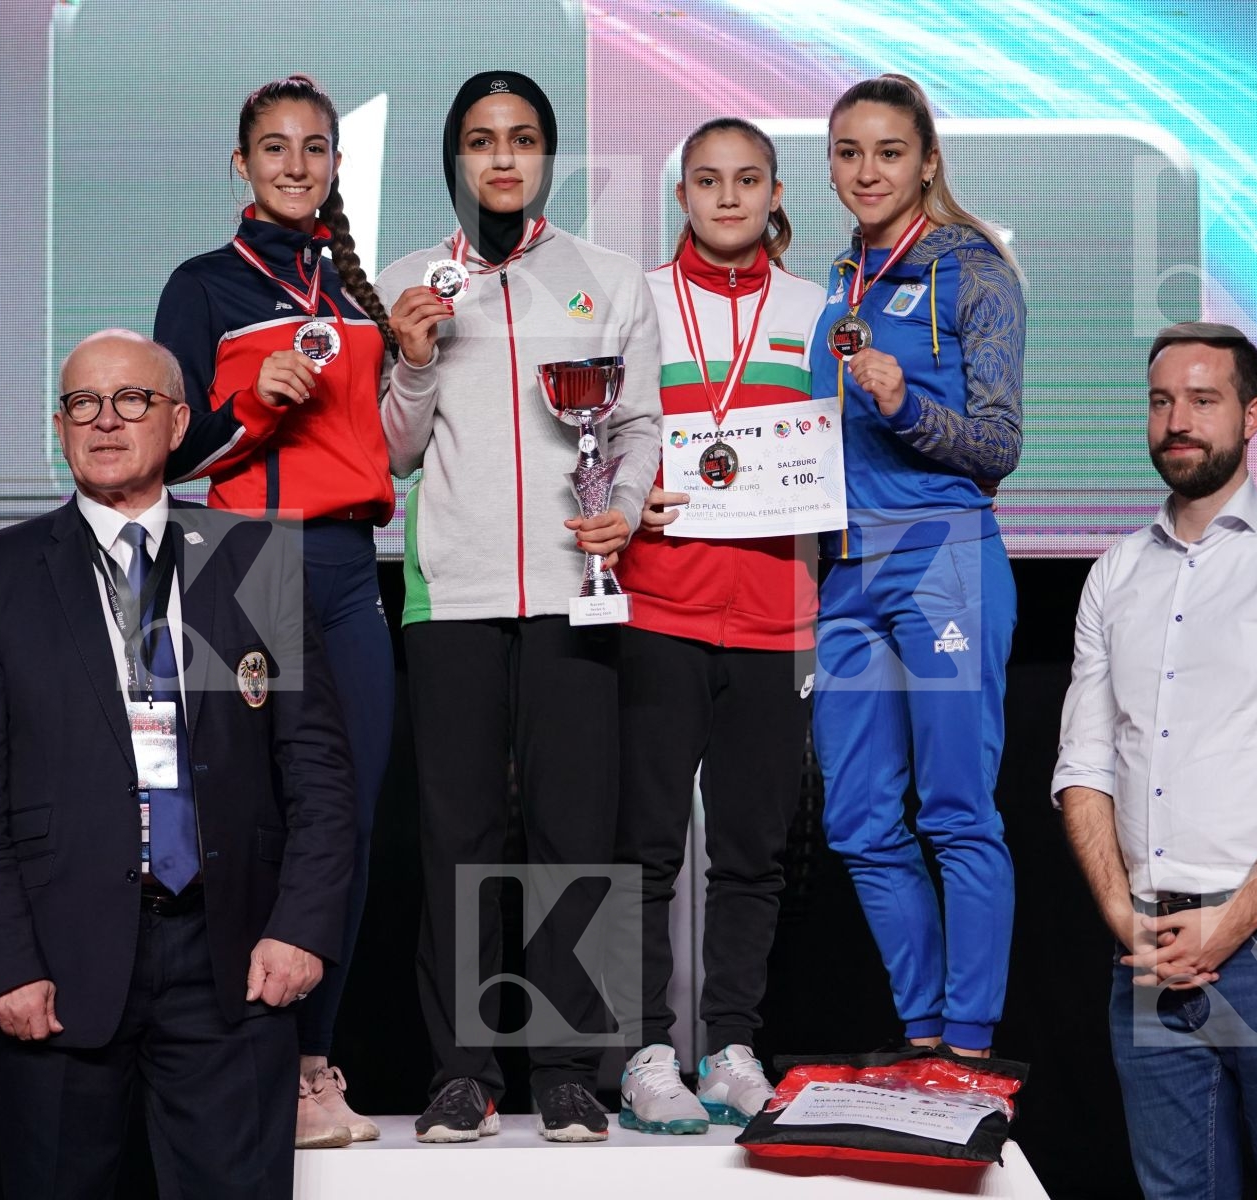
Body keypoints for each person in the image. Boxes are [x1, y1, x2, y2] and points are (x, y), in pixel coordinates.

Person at [0, 329, 357, 1198]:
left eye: (132, 400)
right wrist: (3, 961)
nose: (106, 421)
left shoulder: (252, 560)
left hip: (233, 958)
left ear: (176, 421)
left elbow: (317, 769)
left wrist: (303, 926)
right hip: (55, 963)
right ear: (60, 426)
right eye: (83, 403)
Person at [376, 70, 661, 1144]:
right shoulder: (411, 281)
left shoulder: (604, 277)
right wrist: (408, 361)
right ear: (455, 158)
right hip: (450, 597)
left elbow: (636, 426)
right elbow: (398, 455)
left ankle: (569, 1070)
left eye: (525, 138)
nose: (504, 157)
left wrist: (623, 510)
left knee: (573, 833)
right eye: (484, 140)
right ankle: (462, 1070)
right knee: (455, 836)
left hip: (577, 596)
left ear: (549, 156)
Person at [1054, 322, 1257, 1200]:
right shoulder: (1115, 573)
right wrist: (1129, 922)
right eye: (1161, 402)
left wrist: (1227, 928)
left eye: (1204, 399)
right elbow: (1083, 767)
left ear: (1253, 415)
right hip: (1151, 943)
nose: (1178, 421)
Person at [154, 71, 394, 1149]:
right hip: (236, 558)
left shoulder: (356, 293)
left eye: (315, 149)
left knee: (349, 818)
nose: (296, 165)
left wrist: (419, 360)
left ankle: (310, 1067)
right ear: (241, 165)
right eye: (276, 148)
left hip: (348, 563)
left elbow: (390, 442)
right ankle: (243, 1054)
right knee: (250, 821)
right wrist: (252, 407)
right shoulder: (204, 283)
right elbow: (167, 451)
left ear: (336, 165)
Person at [610, 117, 826, 1133]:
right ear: (683, 195)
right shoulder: (640, 301)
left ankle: (730, 1045)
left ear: (774, 190)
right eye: (707, 181)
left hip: (778, 615)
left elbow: (839, 459)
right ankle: (648, 1051)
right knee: (647, 846)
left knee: (752, 851)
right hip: (660, 603)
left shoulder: (817, 310)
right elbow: (601, 439)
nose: (728, 198)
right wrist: (626, 491)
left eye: (747, 180)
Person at [808, 73, 1026, 1057]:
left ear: (927, 161)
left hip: (943, 560)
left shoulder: (973, 272)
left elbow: (998, 446)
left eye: (888, 152)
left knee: (954, 810)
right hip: (849, 574)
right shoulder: (838, 278)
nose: (867, 170)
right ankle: (925, 1034)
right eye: (849, 152)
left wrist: (903, 407)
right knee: (856, 819)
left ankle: (966, 1043)